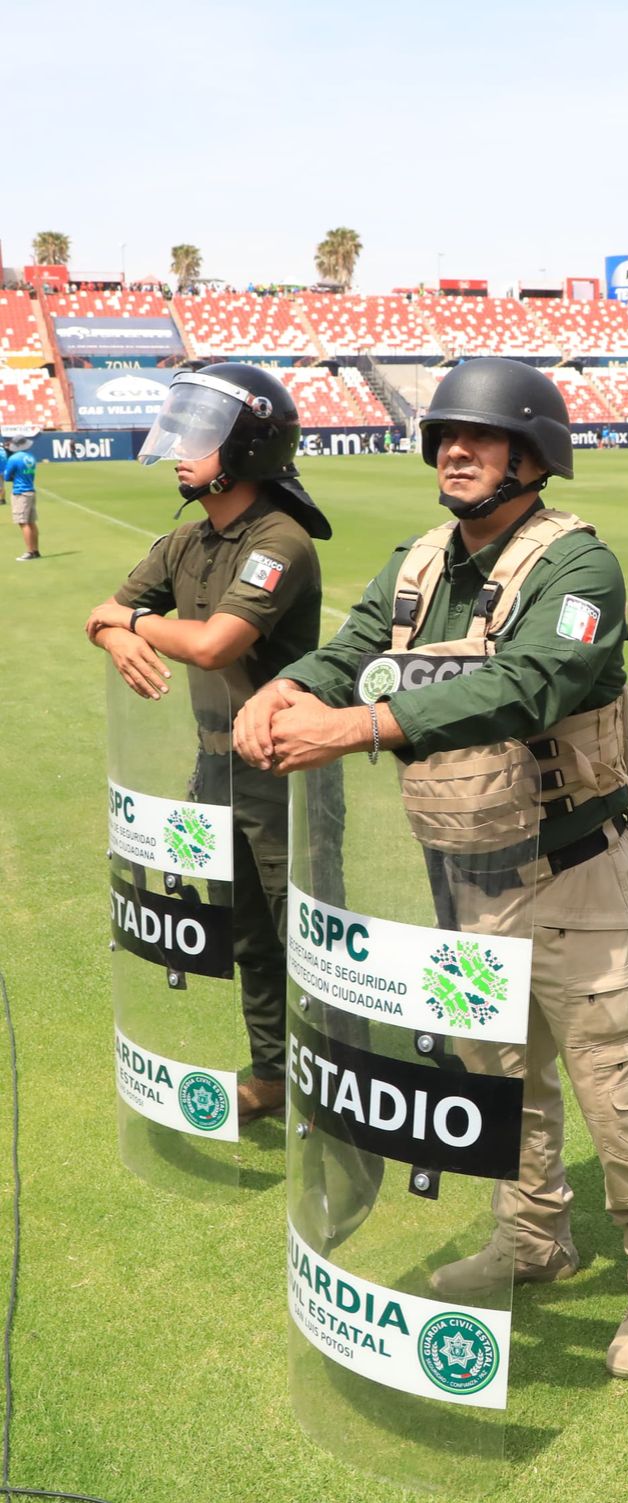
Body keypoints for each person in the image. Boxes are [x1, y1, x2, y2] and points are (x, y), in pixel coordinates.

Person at [231, 356, 628, 1379]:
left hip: (574, 873)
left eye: (480, 437)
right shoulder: (420, 562)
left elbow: (534, 684)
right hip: (465, 874)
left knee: (617, 1087)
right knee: (501, 1080)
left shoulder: (577, 568)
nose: (455, 449)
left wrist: (357, 725)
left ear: (532, 456)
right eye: (444, 434)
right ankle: (532, 1240)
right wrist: (285, 688)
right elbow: (354, 644)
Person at [84, 364, 330, 1124]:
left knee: (310, 938)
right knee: (249, 931)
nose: (180, 449)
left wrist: (134, 627)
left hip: (282, 765)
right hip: (214, 760)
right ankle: (273, 1073)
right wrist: (111, 629)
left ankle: (335, 1095)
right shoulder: (187, 539)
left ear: (248, 449)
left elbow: (217, 644)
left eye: (200, 434)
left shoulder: (279, 540)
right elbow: (100, 610)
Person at [6, 439, 40, 561]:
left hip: (20, 492)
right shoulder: (31, 457)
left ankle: (29, 552)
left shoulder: (14, 458)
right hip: (30, 490)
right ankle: (35, 550)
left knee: (23, 523)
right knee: (31, 522)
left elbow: (6, 476)